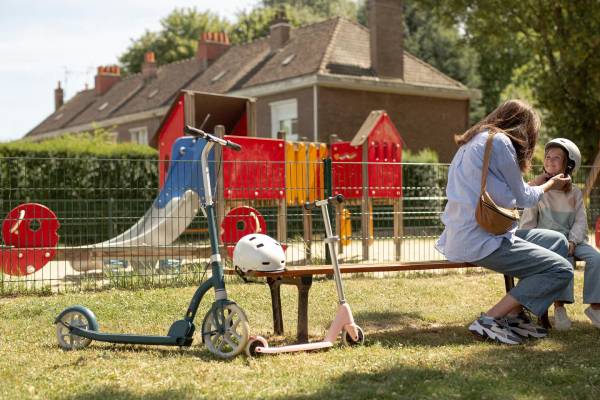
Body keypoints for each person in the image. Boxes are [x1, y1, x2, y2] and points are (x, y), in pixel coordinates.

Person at [436, 99, 574, 345]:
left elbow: (504, 196)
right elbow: (523, 199)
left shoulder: (474, 141)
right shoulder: (500, 142)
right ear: (523, 129)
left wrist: (537, 183)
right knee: (561, 269)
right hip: (482, 238)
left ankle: (513, 315)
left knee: (556, 241)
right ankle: (489, 320)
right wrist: (552, 184)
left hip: (471, 232)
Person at [521, 138, 600, 330]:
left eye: (557, 158)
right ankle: (559, 307)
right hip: (549, 243)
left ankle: (595, 307)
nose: (550, 161)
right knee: (565, 260)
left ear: (569, 165)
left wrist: (573, 240)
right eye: (548, 157)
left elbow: (581, 221)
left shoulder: (575, 193)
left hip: (573, 240)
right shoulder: (538, 192)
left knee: (597, 258)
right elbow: (527, 225)